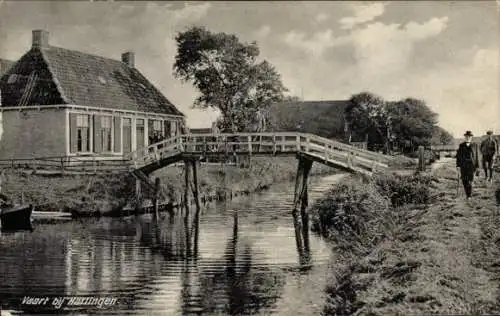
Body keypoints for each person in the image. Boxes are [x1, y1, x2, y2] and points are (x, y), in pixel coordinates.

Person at [456, 130, 480, 200]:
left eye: (469, 136)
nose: (468, 137)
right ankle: (467, 193)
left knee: (470, 180)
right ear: (465, 137)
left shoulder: (475, 145)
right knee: (464, 180)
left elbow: (477, 156)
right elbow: (458, 156)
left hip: (471, 165)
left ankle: (469, 195)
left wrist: (477, 166)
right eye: (467, 136)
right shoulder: (461, 145)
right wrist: (458, 165)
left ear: (471, 137)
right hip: (463, 165)